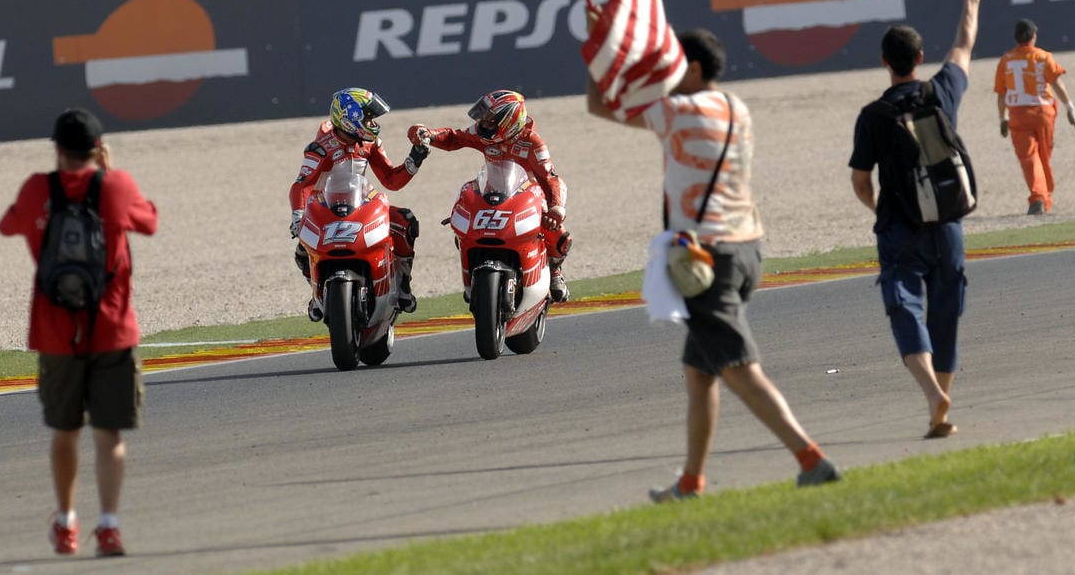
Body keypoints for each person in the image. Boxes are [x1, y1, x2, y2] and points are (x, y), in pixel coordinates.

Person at [588, 29, 841, 501]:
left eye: (675, 64)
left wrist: (600, 48)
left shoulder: (677, 111)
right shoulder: (735, 107)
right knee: (700, 372)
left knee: (739, 368)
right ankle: (691, 483)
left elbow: (600, 104)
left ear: (694, 68)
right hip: (748, 249)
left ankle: (811, 459)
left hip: (707, 260)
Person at [0, 109, 159, 558]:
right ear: (97, 148)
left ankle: (67, 521)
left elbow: (7, 225)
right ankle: (108, 525)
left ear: (58, 149)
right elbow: (149, 221)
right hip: (112, 329)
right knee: (110, 434)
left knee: (65, 431)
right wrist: (111, 174)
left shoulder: (37, 189)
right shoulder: (116, 186)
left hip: (55, 333)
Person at [850, 0, 989, 438]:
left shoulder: (873, 116)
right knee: (946, 314)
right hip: (947, 224)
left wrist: (881, 211)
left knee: (904, 308)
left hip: (901, 231)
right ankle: (941, 413)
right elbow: (964, 45)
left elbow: (860, 182)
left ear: (884, 62)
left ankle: (932, 393)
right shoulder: (941, 91)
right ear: (919, 58)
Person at [415, 90, 574, 302]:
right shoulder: (483, 134)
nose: (483, 124)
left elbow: (550, 178)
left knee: (559, 236)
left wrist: (556, 208)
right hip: (494, 193)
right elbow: (454, 138)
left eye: (489, 120)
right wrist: (430, 135)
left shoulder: (533, 143)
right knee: (465, 230)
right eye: (483, 118)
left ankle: (554, 271)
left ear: (508, 121)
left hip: (530, 197)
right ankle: (475, 274)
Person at [289, 88, 429, 317]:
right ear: (349, 117)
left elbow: (391, 180)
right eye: (368, 117)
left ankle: (403, 285)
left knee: (405, 222)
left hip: (359, 207)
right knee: (302, 252)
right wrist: (297, 216)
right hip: (325, 212)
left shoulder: (370, 143)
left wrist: (415, 159)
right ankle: (317, 295)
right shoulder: (320, 148)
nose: (373, 122)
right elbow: (301, 185)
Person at [994, 18, 1075, 215]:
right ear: (1033, 36)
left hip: (1018, 113)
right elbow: (1056, 83)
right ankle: (1043, 196)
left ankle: (1039, 196)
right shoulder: (1043, 56)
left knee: (1029, 157)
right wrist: (1069, 105)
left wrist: (1002, 117)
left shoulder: (1006, 60)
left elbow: (1001, 93)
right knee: (1044, 155)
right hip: (1043, 112)